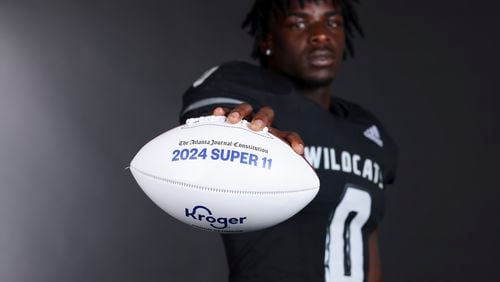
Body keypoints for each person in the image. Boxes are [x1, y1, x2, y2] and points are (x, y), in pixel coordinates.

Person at [180, 0, 398, 281]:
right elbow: (210, 123)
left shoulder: (367, 129)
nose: (321, 34)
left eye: (333, 22)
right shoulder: (243, 88)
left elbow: (366, 239)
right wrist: (246, 134)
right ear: (268, 40)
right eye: (299, 23)